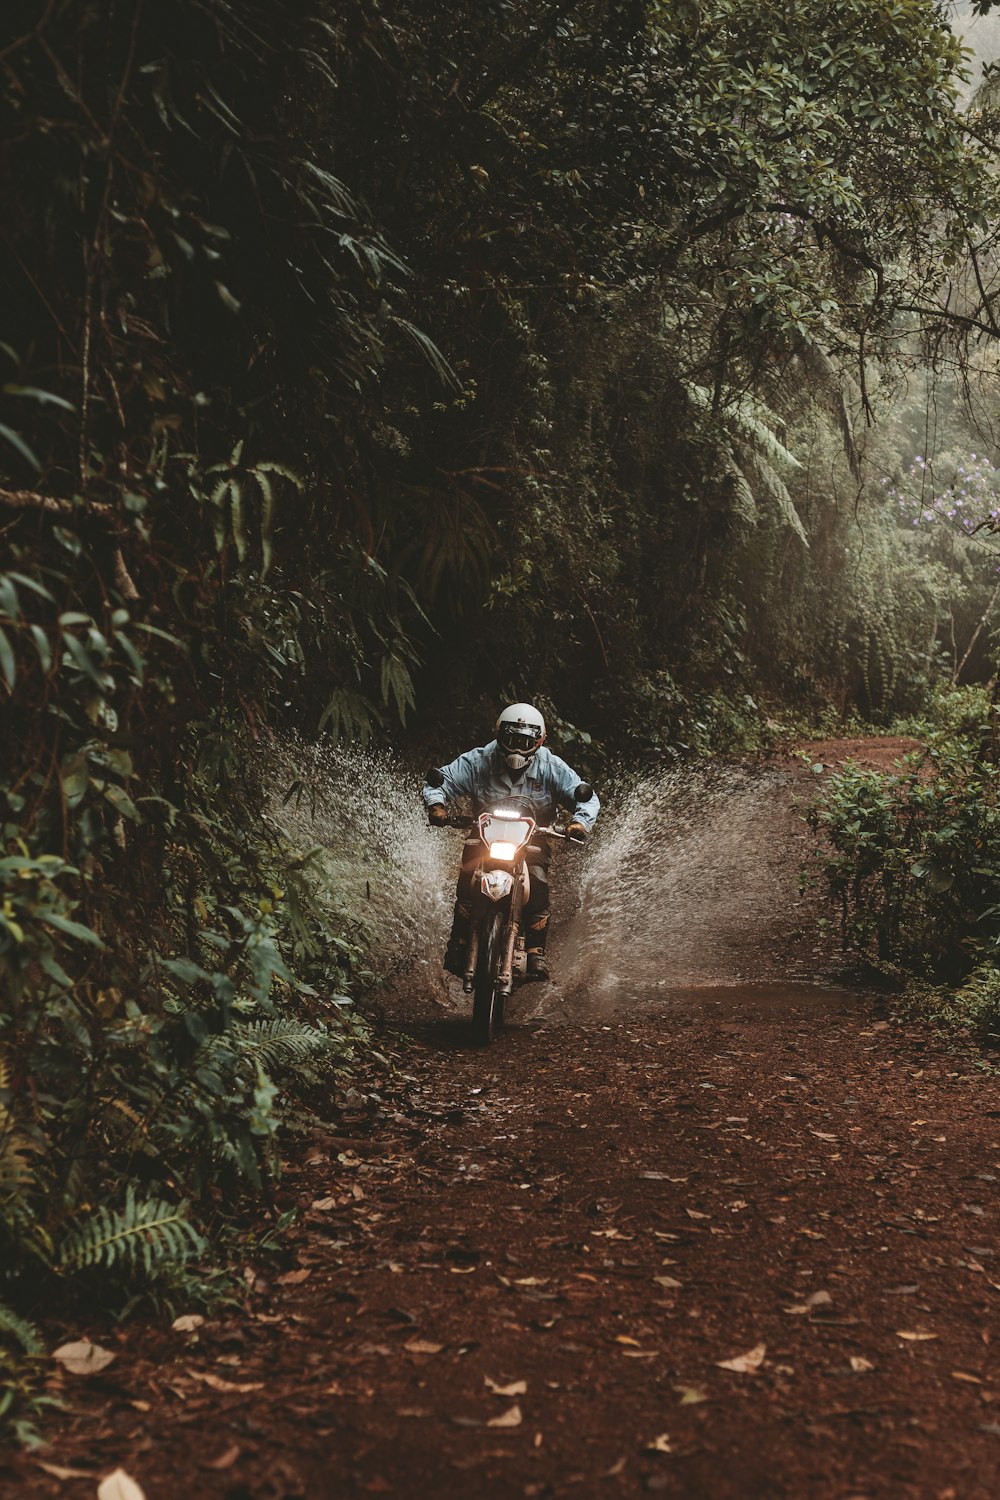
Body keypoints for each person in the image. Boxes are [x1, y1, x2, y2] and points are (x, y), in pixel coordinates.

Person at [423, 702, 600, 981]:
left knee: (538, 880)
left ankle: (535, 950)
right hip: (484, 834)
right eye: (511, 740)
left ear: (539, 741)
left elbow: (586, 798)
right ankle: (457, 943)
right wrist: (437, 807)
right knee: (467, 876)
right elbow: (440, 781)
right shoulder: (478, 760)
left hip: (533, 837)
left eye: (525, 742)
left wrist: (579, 823)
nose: (517, 748)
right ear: (498, 737)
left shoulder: (552, 766)